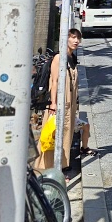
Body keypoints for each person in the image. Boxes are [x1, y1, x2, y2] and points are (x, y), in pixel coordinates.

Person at [35, 28, 93, 175]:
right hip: (59, 104)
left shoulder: (71, 57)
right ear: (65, 39)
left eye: (78, 38)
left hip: (69, 105)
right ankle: (52, 168)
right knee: (54, 135)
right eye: (73, 37)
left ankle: (63, 166)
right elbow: (54, 82)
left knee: (66, 135)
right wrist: (53, 104)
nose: (76, 41)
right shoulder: (59, 58)